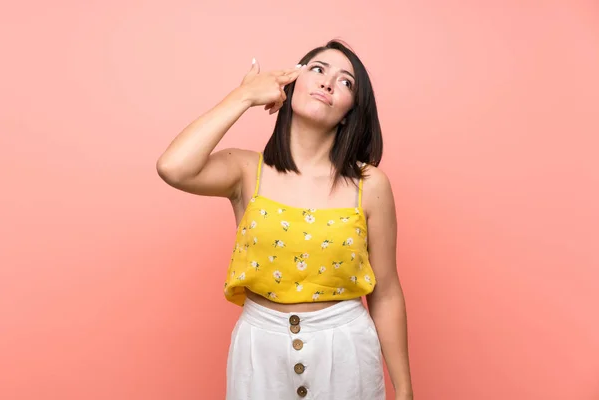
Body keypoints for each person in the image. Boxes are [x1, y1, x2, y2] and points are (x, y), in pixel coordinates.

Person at [156, 39, 414, 400]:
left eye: (346, 82)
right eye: (318, 69)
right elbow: (172, 167)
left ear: (351, 111)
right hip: (259, 349)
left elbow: (386, 293)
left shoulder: (369, 185)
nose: (327, 82)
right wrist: (243, 96)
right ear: (291, 83)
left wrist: (404, 390)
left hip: (345, 350)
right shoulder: (245, 170)